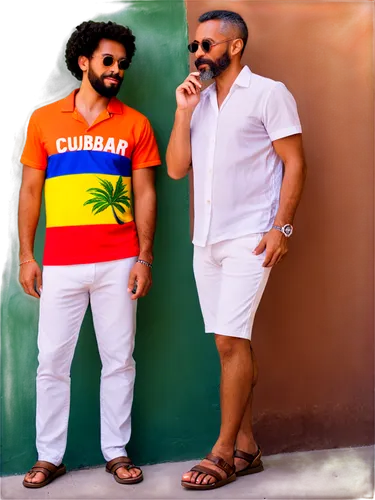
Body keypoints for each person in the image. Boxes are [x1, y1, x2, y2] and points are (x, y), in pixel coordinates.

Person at [166, 9, 306, 491]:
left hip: (250, 236)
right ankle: (248, 446)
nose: (199, 53)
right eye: (195, 46)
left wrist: (281, 228)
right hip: (205, 239)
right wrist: (184, 111)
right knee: (231, 342)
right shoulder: (197, 102)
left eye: (208, 45)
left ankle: (222, 452)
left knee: (229, 341)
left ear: (236, 46)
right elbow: (177, 169)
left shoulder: (269, 93)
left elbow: (294, 162)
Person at [18, 20, 161, 488]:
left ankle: (116, 452)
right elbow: (31, 191)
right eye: (108, 61)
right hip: (59, 263)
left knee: (119, 358)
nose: (117, 69)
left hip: (120, 262)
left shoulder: (135, 124)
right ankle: (48, 457)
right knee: (51, 362)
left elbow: (145, 194)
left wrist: (144, 257)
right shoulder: (43, 119)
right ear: (84, 62)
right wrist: (26, 255)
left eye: (123, 63)